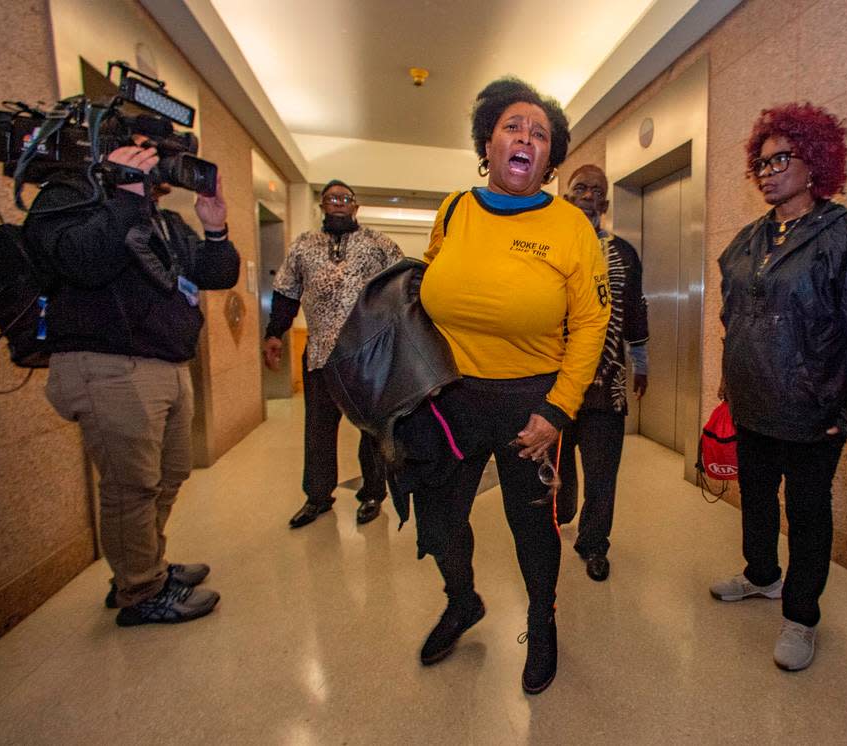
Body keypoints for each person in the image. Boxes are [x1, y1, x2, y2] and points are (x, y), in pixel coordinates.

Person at [416, 78, 610, 694]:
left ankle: (541, 622)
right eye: (512, 127)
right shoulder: (453, 210)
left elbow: (591, 324)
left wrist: (558, 409)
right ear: (488, 142)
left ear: (548, 159)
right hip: (448, 396)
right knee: (440, 517)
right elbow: (428, 292)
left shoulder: (572, 227)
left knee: (530, 524)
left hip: (532, 401)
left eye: (539, 133)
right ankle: (461, 599)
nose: (525, 137)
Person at [24, 136, 240, 627]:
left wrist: (215, 228)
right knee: (132, 486)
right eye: (142, 151)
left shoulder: (164, 220)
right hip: (110, 365)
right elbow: (82, 261)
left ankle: (144, 568)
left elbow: (216, 274)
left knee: (169, 475)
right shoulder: (68, 198)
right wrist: (125, 193)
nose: (156, 163)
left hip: (166, 364)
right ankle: (140, 591)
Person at [711, 103, 847, 671]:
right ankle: (762, 576)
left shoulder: (844, 234)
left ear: (814, 163)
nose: (767, 171)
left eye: (780, 159)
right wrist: (728, 384)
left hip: (815, 409)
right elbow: (733, 316)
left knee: (808, 513)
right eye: (760, 163)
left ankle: (802, 615)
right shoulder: (748, 240)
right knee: (757, 500)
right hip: (753, 402)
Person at [263, 180, 403, 528]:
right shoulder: (303, 246)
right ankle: (318, 496)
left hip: (367, 357)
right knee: (319, 429)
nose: (338, 204)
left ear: (355, 207)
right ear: (322, 207)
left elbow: (402, 288)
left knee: (372, 430)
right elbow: (285, 292)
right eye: (331, 199)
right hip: (319, 356)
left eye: (344, 199)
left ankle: (373, 493)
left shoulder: (378, 244)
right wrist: (274, 334)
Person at [558, 164, 649, 582]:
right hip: (554, 384)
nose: (589, 196)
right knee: (555, 467)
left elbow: (635, 310)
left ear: (606, 203)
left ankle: (594, 543)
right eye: (581, 188)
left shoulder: (624, 253)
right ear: (566, 197)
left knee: (602, 473)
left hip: (607, 383)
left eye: (597, 191)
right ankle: (560, 514)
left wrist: (641, 363)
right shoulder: (550, 247)